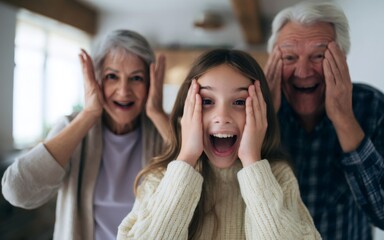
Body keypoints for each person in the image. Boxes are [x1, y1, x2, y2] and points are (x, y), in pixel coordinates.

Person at [117, 49, 321, 240]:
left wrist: (252, 161)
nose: (222, 117)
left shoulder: (278, 177)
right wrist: (187, 157)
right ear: (186, 111)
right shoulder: (160, 178)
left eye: (240, 102)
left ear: (261, 113)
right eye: (207, 101)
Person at [264, 1, 384, 239]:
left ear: (342, 59)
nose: (303, 72)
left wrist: (344, 118)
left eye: (319, 56)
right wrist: (263, 122)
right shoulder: (250, 110)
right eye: (290, 57)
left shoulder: (374, 107)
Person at [1, 29, 170, 240]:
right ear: (96, 80)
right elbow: (17, 191)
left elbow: (202, 183)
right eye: (112, 76)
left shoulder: (164, 128)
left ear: (150, 84)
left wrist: (157, 114)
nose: (123, 90)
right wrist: (88, 114)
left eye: (136, 78)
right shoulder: (73, 126)